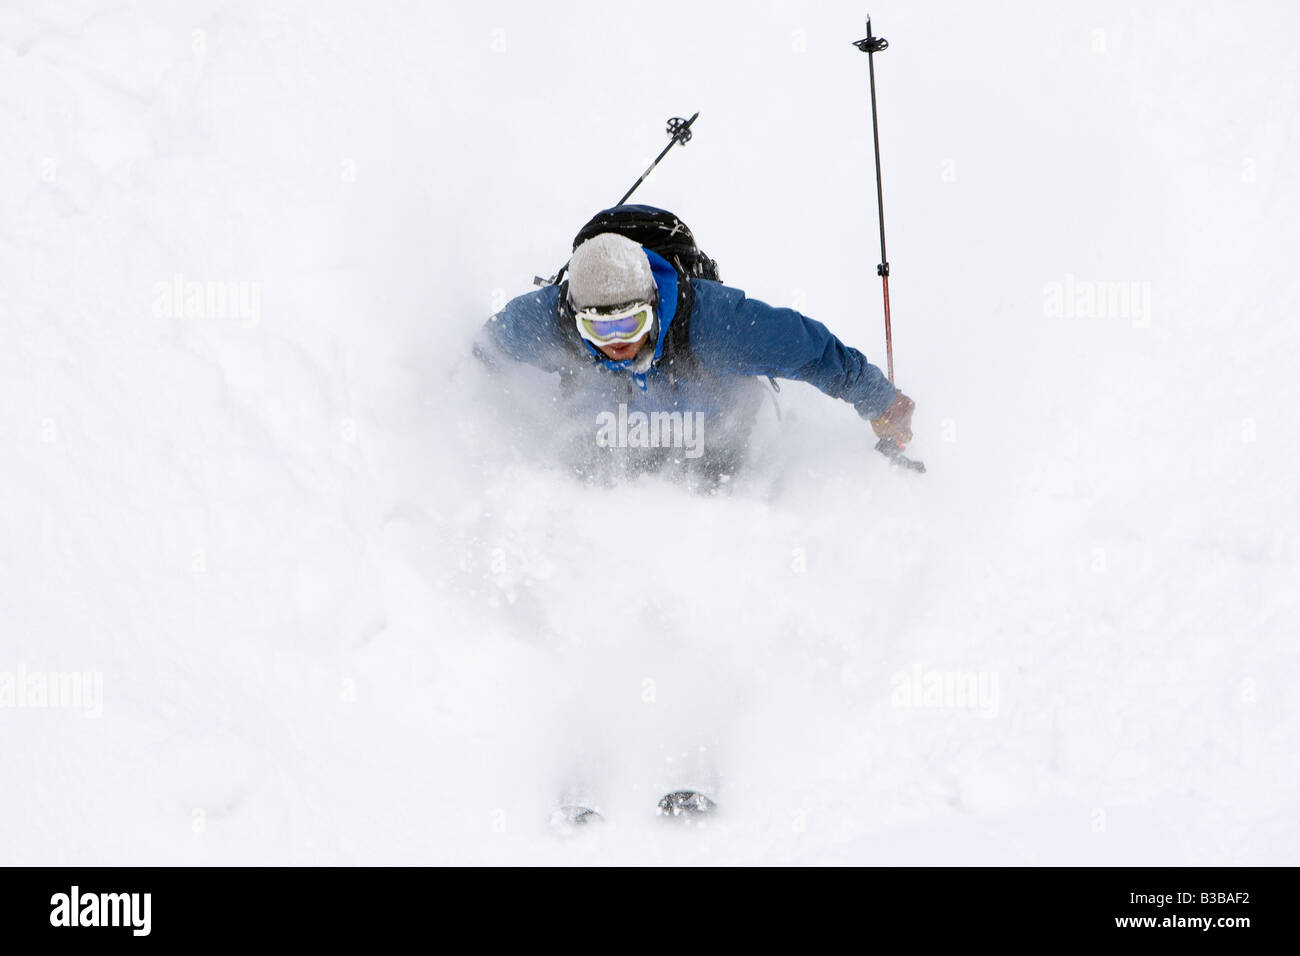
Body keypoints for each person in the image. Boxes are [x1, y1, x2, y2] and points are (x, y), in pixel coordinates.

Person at [476, 206, 916, 486]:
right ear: (576, 318)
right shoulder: (546, 321)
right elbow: (486, 350)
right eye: (599, 331)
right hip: (601, 446)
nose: (617, 345)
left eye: (630, 325)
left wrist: (881, 402)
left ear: (652, 304)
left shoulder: (718, 324)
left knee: (717, 474)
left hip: (712, 448)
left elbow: (812, 350)